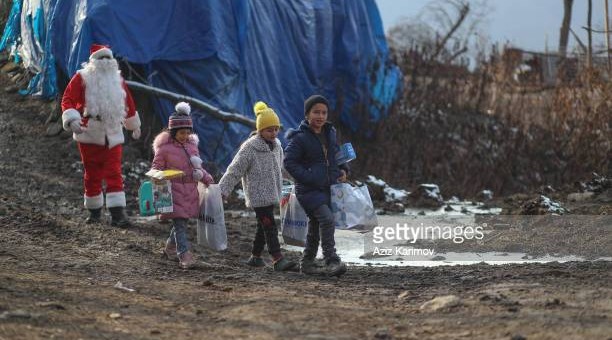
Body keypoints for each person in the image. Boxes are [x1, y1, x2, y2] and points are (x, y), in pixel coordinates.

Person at [61, 44, 141, 226]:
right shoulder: (81, 77)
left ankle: (117, 214)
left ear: (112, 61)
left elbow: (128, 102)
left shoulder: (117, 80)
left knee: (114, 171)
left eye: (108, 58)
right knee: (92, 172)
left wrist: (133, 124)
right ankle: (94, 211)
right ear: (93, 62)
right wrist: (72, 119)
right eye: (101, 58)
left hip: (113, 131)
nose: (105, 62)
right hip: (90, 132)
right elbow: (68, 99)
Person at [219, 101, 296, 272]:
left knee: (263, 226)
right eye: (269, 129)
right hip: (257, 196)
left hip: (272, 193)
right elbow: (235, 169)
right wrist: (223, 189)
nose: (273, 133)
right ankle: (278, 259)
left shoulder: (277, 146)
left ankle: (255, 257)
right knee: (270, 226)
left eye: (276, 129)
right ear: (260, 129)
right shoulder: (249, 148)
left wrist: (292, 181)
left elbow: (281, 167)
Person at [283, 95, 348, 277]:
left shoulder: (330, 133)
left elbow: (336, 154)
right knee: (327, 220)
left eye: (324, 112)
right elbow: (289, 162)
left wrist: (343, 169)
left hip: (328, 188)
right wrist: (308, 177)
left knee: (314, 226)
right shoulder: (300, 138)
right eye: (316, 112)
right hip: (309, 190)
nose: (320, 116)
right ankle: (331, 261)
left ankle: (307, 263)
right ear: (307, 115)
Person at [152, 102, 214, 269]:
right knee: (180, 224)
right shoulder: (164, 150)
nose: (185, 135)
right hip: (173, 191)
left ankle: (169, 248)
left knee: (182, 223)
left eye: (187, 132)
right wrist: (163, 176)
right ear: (173, 132)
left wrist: (208, 179)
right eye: (181, 132)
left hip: (190, 191)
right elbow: (155, 169)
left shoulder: (192, 147)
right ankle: (184, 255)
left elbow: (198, 167)